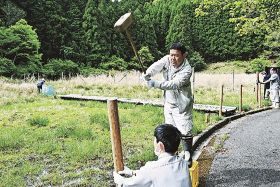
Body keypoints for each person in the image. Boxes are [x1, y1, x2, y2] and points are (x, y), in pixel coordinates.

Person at [142, 42, 193, 166]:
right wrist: (148, 74)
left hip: (182, 104)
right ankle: (172, 156)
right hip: (169, 103)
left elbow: (174, 84)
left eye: (176, 55)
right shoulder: (167, 60)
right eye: (171, 55)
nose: (172, 58)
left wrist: (154, 84)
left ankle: (188, 155)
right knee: (169, 130)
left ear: (184, 55)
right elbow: (156, 66)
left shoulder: (187, 70)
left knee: (185, 129)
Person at [113, 124, 192, 187]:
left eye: (155, 141)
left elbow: (130, 183)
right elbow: (149, 175)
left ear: (160, 146)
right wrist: (132, 172)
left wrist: (119, 179)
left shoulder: (152, 168)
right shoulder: (183, 163)